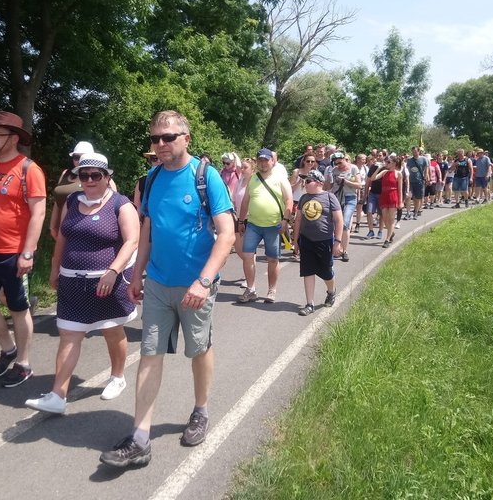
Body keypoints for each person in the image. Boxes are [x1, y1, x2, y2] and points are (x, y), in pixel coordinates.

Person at [99, 110, 234, 469]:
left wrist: (204, 281)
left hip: (196, 286)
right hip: (158, 282)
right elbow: (147, 231)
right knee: (150, 352)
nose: (160, 144)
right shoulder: (152, 178)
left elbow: (228, 233)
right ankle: (140, 439)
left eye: (168, 137)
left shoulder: (206, 177)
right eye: (155, 138)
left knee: (199, 349)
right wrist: (137, 274)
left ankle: (200, 411)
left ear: (186, 138)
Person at [26, 153, 139, 413]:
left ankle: (117, 376)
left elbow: (132, 240)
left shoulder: (120, 205)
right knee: (69, 335)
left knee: (111, 331)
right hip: (73, 282)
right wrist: (55, 270)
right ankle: (57, 395)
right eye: (83, 175)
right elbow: (63, 239)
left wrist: (113, 271)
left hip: (106, 284)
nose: (88, 180)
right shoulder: (73, 202)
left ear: (107, 177)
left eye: (95, 175)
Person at [0, 111, 46, 388]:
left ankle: (23, 364)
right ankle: (8, 348)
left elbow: (38, 214)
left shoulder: (29, 169)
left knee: (17, 308)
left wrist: (28, 252)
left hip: (14, 253)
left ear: (13, 139)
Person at [237, 148, 294, 303]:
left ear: (272, 161)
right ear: (257, 162)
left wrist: (285, 220)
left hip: (274, 226)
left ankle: (271, 290)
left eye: (266, 160)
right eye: (260, 160)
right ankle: (251, 289)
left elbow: (289, 200)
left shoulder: (281, 178)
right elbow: (245, 202)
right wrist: (241, 221)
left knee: (272, 259)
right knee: (248, 256)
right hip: (253, 225)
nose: (263, 163)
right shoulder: (253, 178)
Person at [291, 169, 342, 316]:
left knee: (326, 272)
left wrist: (337, 241)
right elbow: (298, 220)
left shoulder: (329, 197)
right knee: (308, 271)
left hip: (325, 240)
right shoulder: (303, 198)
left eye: (308, 181)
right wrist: (295, 241)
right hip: (307, 240)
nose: (304, 184)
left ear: (318, 183)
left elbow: (338, 220)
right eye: (304, 181)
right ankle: (309, 304)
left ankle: (331, 291)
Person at [50, 141, 93, 240]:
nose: (79, 161)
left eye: (83, 157)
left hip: (82, 230)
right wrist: (53, 226)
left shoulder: (99, 177)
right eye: (76, 157)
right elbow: (58, 201)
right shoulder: (66, 173)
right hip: (62, 229)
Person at [324, 151, 362, 262]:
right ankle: (336, 248)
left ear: (345, 159)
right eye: (336, 163)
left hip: (350, 198)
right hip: (337, 198)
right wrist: (328, 178)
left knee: (345, 224)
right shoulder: (334, 170)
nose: (339, 165)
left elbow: (359, 185)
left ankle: (344, 251)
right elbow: (329, 186)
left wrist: (346, 181)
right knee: (335, 224)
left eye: (340, 162)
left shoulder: (353, 168)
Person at [373, 157, 404, 248]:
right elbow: (373, 178)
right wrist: (378, 168)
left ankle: (387, 239)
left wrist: (400, 201)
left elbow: (400, 189)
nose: (387, 163)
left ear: (394, 163)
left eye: (389, 162)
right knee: (385, 218)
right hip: (384, 195)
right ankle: (391, 232)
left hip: (393, 195)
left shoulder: (398, 174)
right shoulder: (384, 172)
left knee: (391, 219)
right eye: (387, 162)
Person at [406, 146, 430, 218]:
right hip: (410, 181)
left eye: (415, 151)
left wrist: (425, 178)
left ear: (418, 151)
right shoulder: (409, 160)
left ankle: (416, 212)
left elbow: (426, 170)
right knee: (408, 197)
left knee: (417, 198)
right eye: (413, 152)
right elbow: (407, 169)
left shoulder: (424, 159)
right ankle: (408, 213)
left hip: (419, 181)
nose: (414, 153)